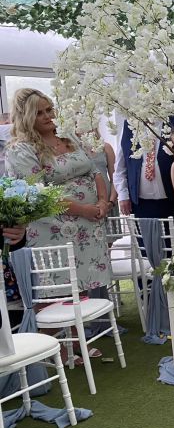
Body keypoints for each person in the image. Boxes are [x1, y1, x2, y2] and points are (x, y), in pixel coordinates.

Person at [6, 89, 111, 295]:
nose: (47, 116)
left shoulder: (67, 136)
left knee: (86, 296)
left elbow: (94, 170)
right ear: (26, 117)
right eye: (39, 113)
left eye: (49, 109)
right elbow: (38, 193)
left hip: (90, 228)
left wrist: (102, 201)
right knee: (60, 296)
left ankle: (87, 318)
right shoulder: (21, 150)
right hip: (55, 231)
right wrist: (83, 209)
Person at [114, 118, 174, 219]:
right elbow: (120, 167)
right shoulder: (130, 125)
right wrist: (123, 195)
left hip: (173, 201)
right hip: (140, 204)